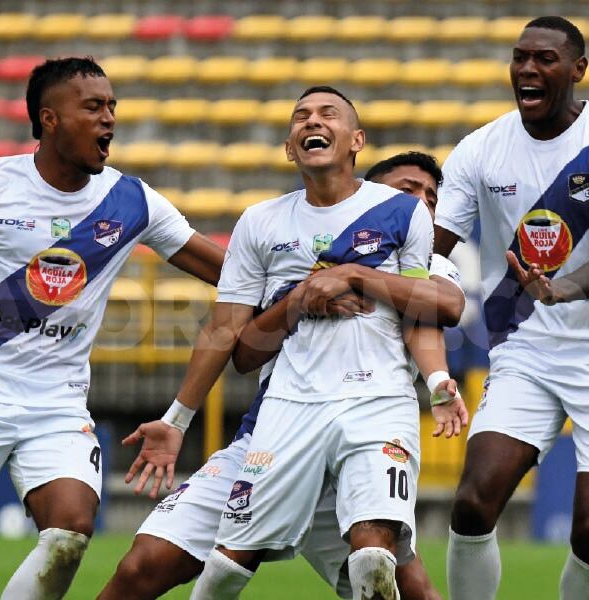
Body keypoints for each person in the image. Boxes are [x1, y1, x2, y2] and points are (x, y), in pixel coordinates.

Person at [0, 57, 225, 600]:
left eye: (112, 107)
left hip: (58, 402)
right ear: (50, 119)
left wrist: (309, 286)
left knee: (69, 533)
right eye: (93, 107)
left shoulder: (132, 201)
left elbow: (230, 274)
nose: (108, 118)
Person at [99, 150, 466, 600]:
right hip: (273, 439)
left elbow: (448, 306)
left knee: (402, 583)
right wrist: (298, 301)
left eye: (431, 197)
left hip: (358, 446)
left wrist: (356, 277)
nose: (422, 202)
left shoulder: (428, 267)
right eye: (408, 190)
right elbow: (242, 350)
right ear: (368, 195)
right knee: (142, 567)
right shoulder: (290, 248)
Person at [431, 16, 589, 600]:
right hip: (526, 347)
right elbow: (433, 248)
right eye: (520, 57)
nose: (527, 68)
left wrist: (566, 287)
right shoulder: (480, 149)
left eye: (544, 59)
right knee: (473, 502)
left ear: (578, 70)